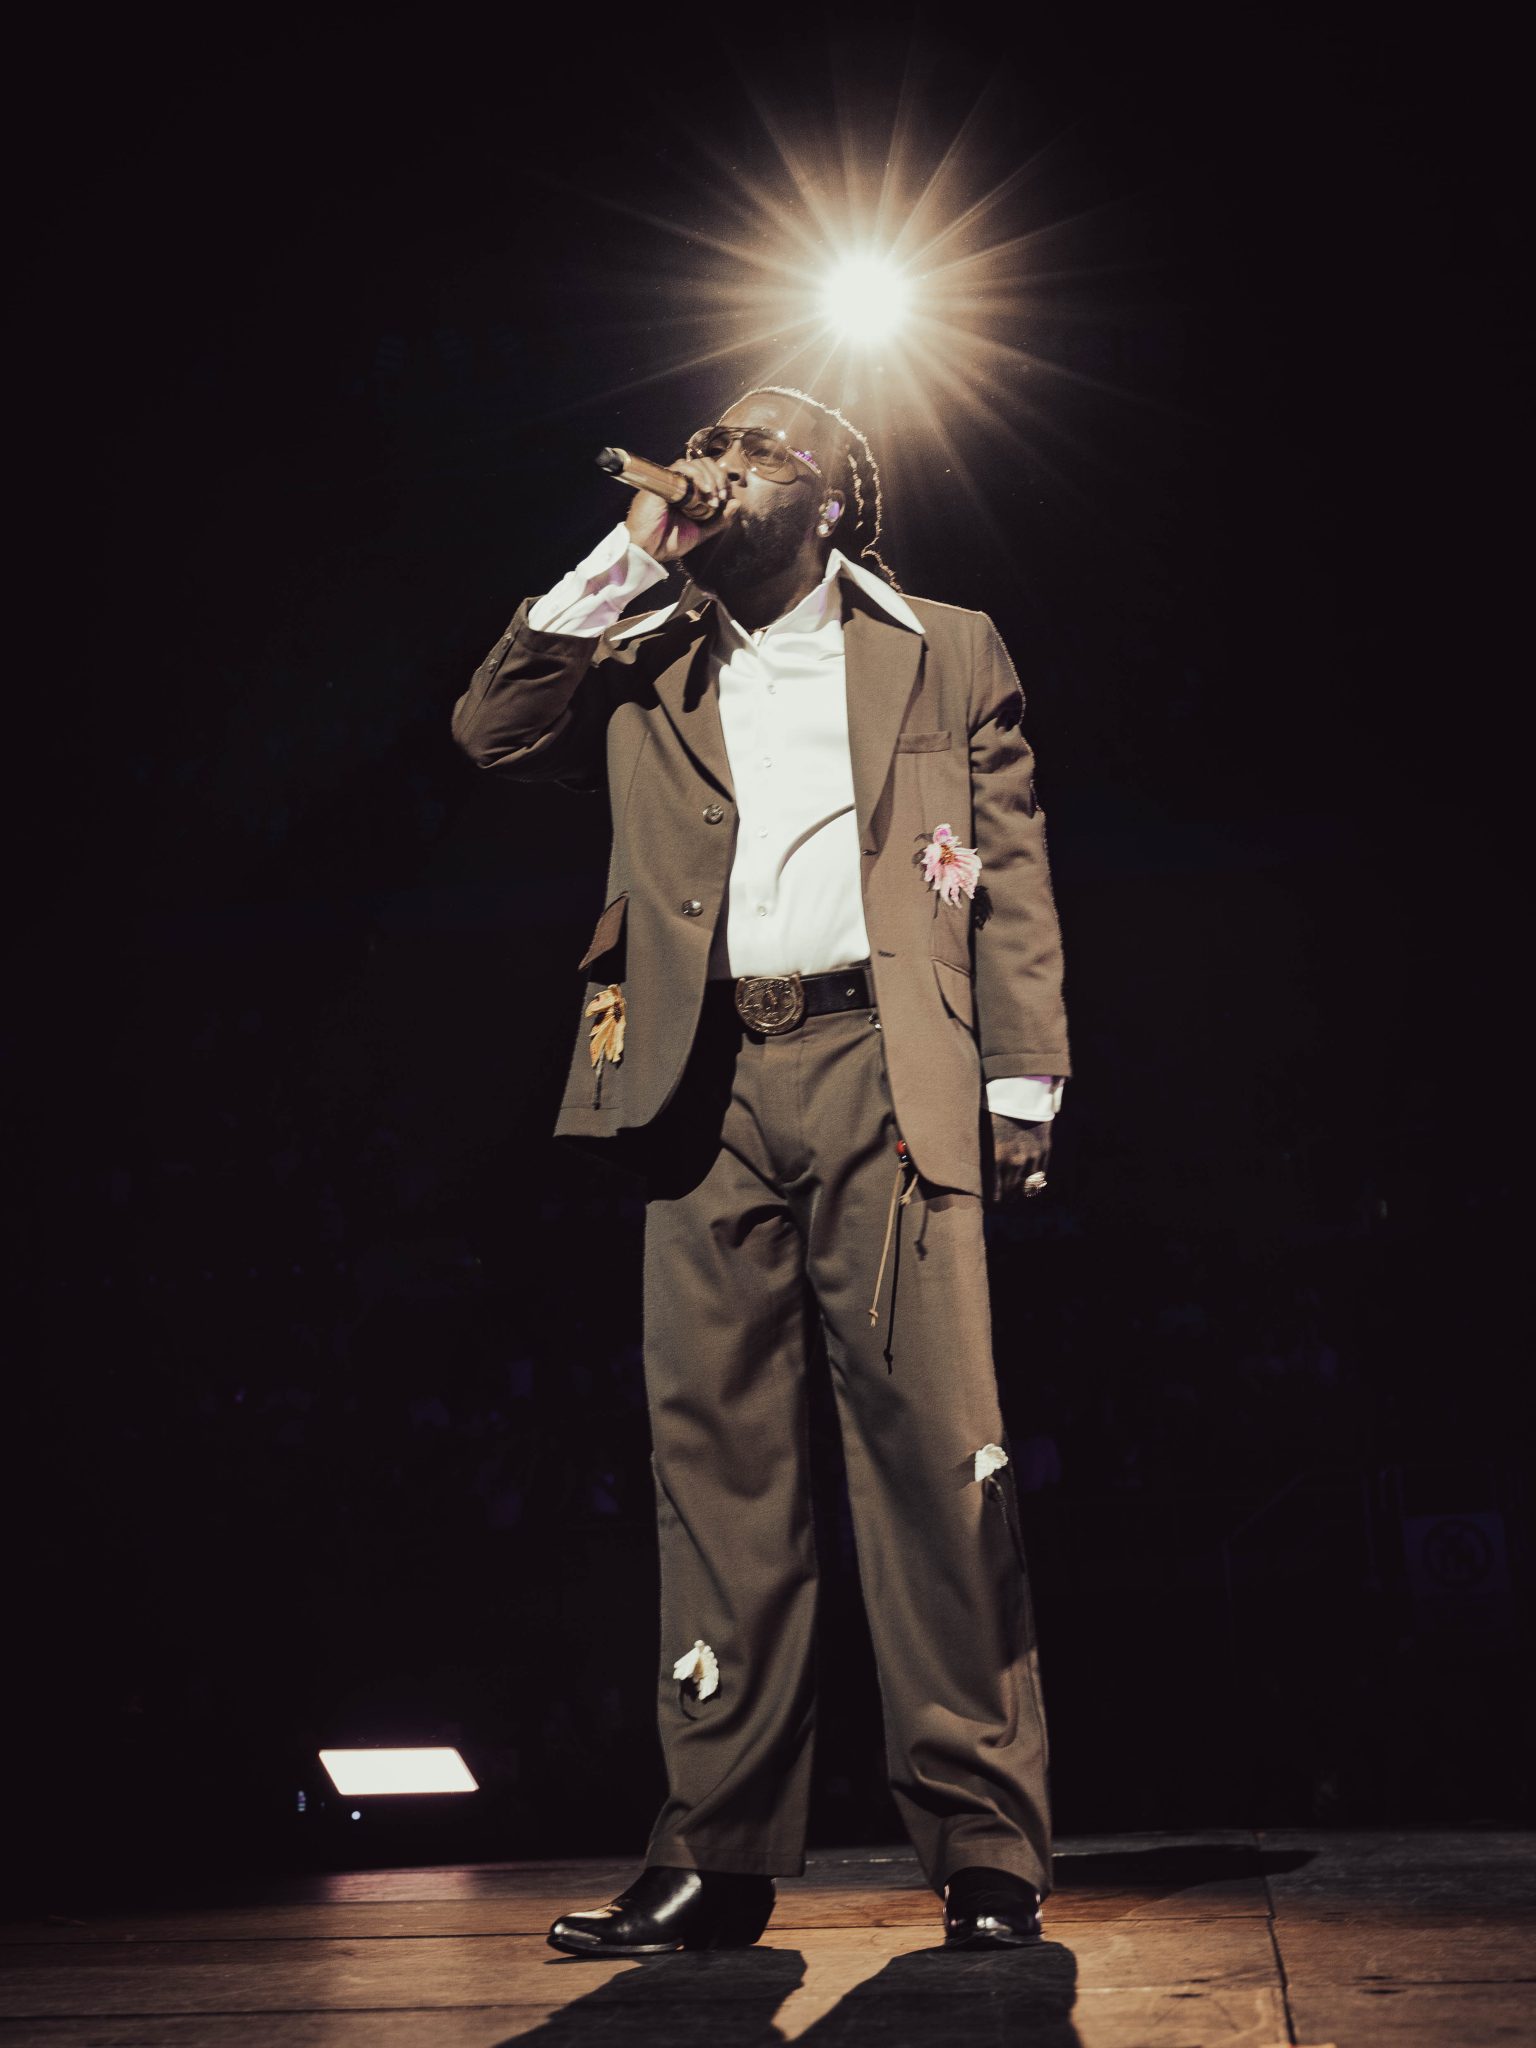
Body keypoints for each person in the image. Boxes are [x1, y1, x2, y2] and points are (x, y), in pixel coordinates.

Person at [452, 385, 1071, 1953]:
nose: (716, 462)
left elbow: (1004, 863)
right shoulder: (643, 644)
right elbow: (490, 732)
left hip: (887, 1065)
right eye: (708, 440)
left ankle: (985, 1846)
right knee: (714, 1473)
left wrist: (1022, 1081)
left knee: (939, 1461)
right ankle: (715, 1850)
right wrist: (624, 558)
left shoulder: (946, 644)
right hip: (697, 1078)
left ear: (834, 500)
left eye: (755, 447)